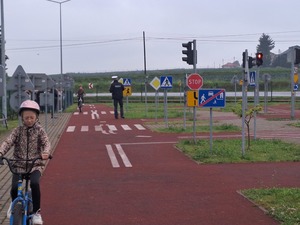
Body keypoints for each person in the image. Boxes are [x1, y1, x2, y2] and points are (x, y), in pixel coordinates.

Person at [0, 100, 51, 225]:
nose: (29, 120)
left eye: (32, 117)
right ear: (22, 118)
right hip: (18, 164)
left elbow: (46, 143)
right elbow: (8, 142)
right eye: (26, 117)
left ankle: (36, 213)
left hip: (35, 164)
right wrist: (1, 153)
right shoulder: (18, 131)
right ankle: (14, 206)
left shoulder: (40, 131)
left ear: (36, 117)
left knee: (34, 184)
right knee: (13, 189)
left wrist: (46, 152)